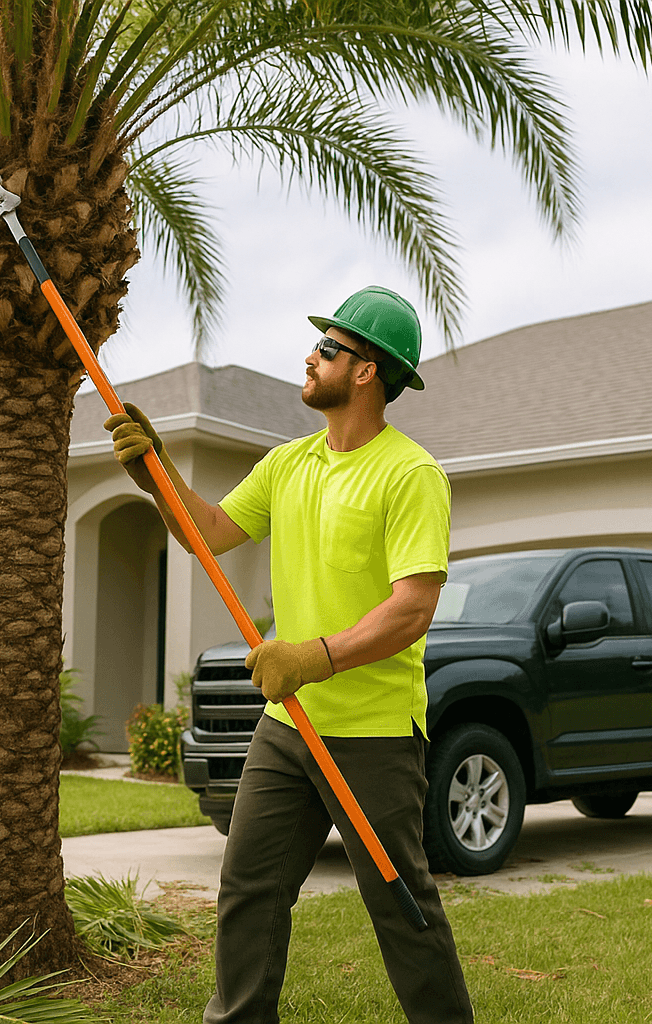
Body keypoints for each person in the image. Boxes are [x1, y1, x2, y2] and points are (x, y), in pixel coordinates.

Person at [105, 285, 474, 1023]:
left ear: (367, 371)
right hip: (290, 726)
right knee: (250, 888)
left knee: (401, 907)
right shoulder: (288, 464)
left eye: (328, 348)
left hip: (372, 732)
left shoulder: (410, 475)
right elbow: (206, 529)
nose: (310, 357)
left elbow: (413, 608)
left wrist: (312, 657)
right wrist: (155, 475)